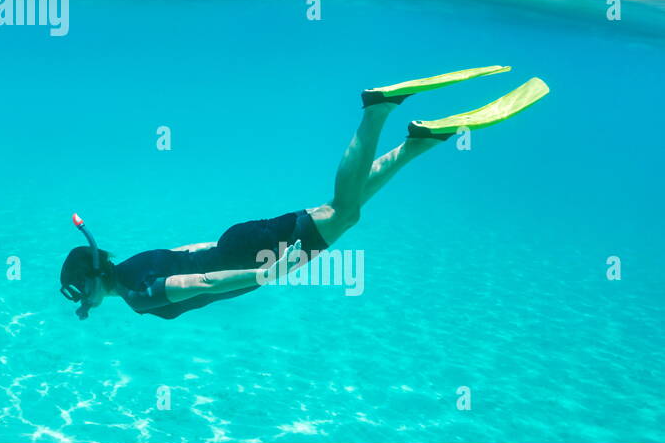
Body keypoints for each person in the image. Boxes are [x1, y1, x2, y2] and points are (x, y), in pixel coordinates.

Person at [59, 67, 549, 320]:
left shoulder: (136, 296)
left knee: (343, 211)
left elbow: (201, 284)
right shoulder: (132, 265)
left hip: (249, 258)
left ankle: (377, 110)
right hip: (234, 242)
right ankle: (418, 142)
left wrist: (269, 272)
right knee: (344, 210)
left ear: (87, 284)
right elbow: (188, 251)